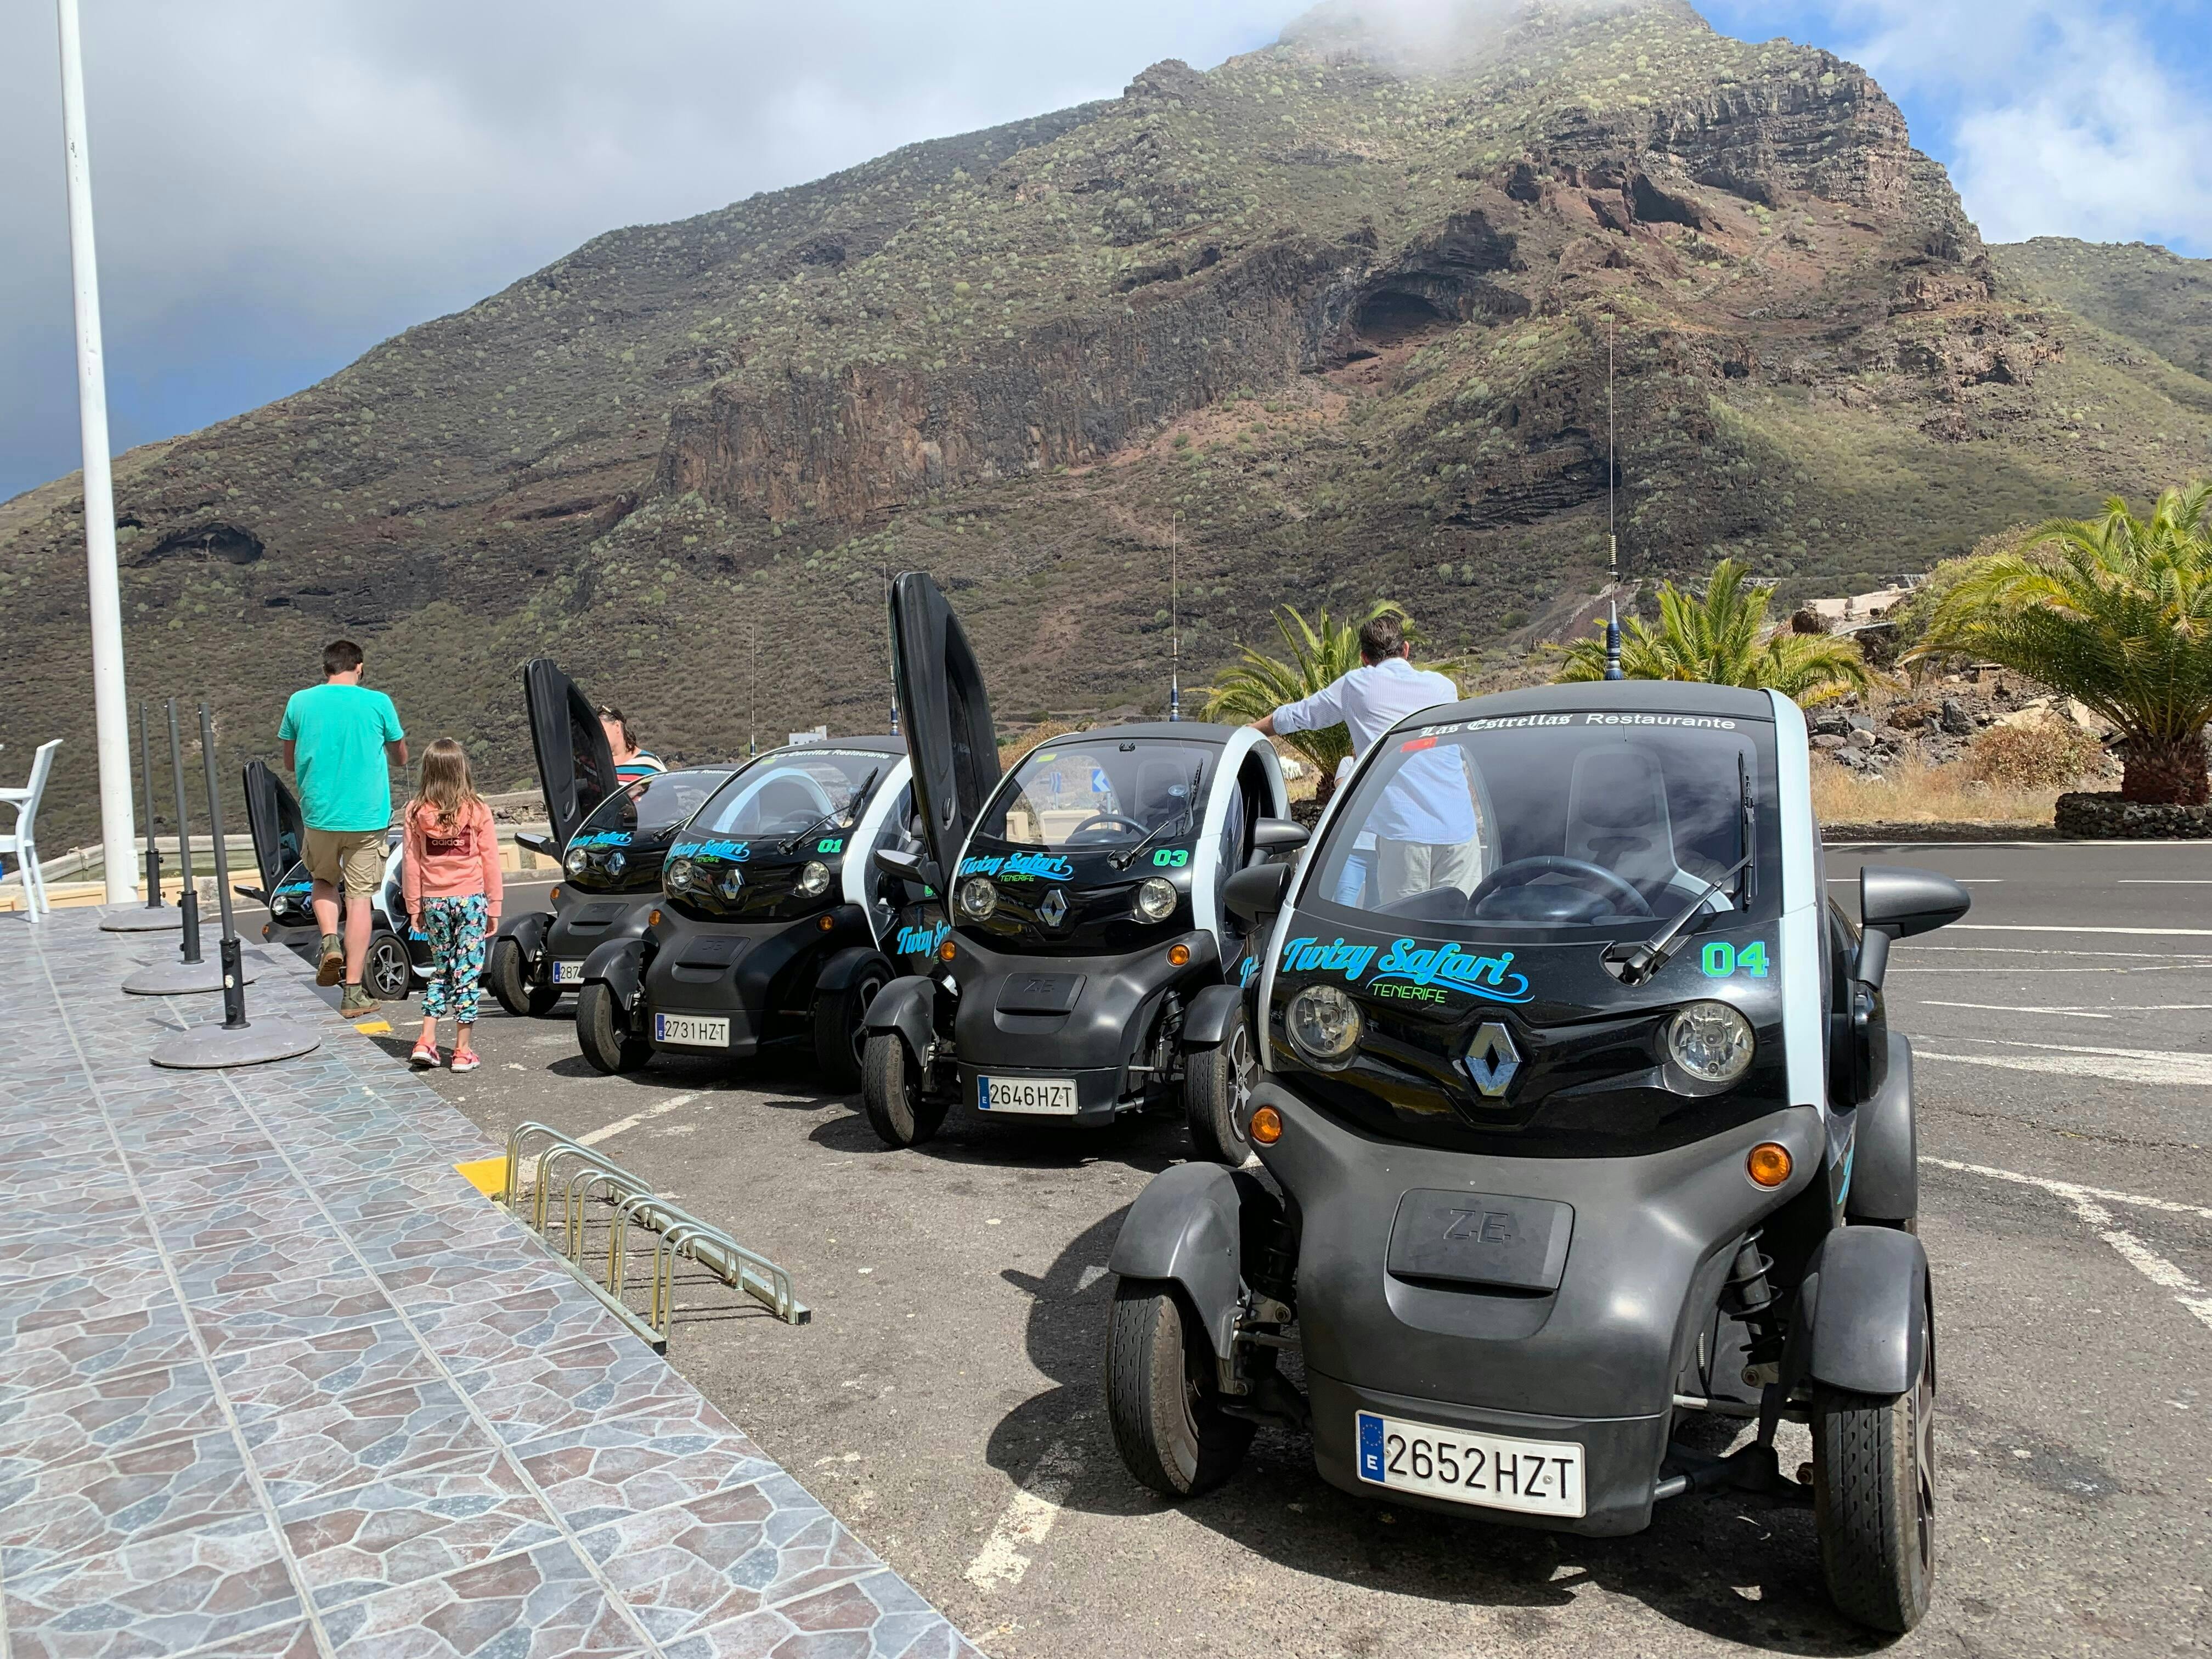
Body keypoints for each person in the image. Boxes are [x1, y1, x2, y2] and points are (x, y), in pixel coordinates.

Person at [1250, 611, 1480, 904]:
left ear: (1364, 658)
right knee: (1460, 924)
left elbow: (1298, 716)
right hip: (1461, 831)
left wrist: (1250, 731)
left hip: (1404, 835)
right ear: (1406, 649)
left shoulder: (1355, 686)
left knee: (1404, 926)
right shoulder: (1443, 687)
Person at [279, 640, 406, 1018]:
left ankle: (330, 940)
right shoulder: (378, 703)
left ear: (326, 669)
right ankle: (352, 992)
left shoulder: (299, 702)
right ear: (360, 667)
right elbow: (401, 757)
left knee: (323, 880)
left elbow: (289, 762)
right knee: (360, 899)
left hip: (320, 815)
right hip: (368, 817)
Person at [400, 738, 503, 1073]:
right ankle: (462, 1051)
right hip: (471, 900)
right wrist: (495, 906)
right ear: (462, 770)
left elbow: (411, 864)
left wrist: (414, 906)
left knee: (442, 969)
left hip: (434, 901)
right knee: (467, 972)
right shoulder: (476, 809)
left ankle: (426, 1041)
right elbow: (490, 862)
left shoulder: (415, 812)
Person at [597, 707, 664, 784]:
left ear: (617, 727)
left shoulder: (650, 765)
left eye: (601, 729)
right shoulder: (593, 762)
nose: (597, 734)